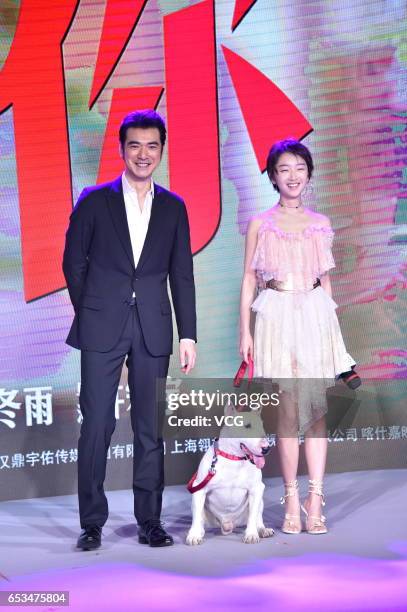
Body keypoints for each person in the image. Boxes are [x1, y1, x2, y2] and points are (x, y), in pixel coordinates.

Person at [63, 109, 197, 549]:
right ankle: (92, 523)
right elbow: (73, 263)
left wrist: (188, 334)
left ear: (161, 150)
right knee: (97, 423)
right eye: (135, 145)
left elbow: (182, 275)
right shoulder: (94, 201)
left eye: (152, 146)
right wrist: (93, 308)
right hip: (102, 326)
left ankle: (149, 522)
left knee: (149, 429)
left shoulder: (174, 207)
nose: (143, 154)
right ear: (122, 149)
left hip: (153, 329)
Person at [239, 138, 356, 535]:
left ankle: (315, 498)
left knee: (317, 412)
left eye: (299, 168)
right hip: (275, 314)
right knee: (288, 412)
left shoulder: (321, 224)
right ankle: (290, 496)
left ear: (309, 174)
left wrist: (336, 343)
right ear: (273, 176)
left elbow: (327, 285)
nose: (292, 176)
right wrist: (245, 332)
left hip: (314, 316)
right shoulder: (261, 223)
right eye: (284, 169)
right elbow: (248, 280)